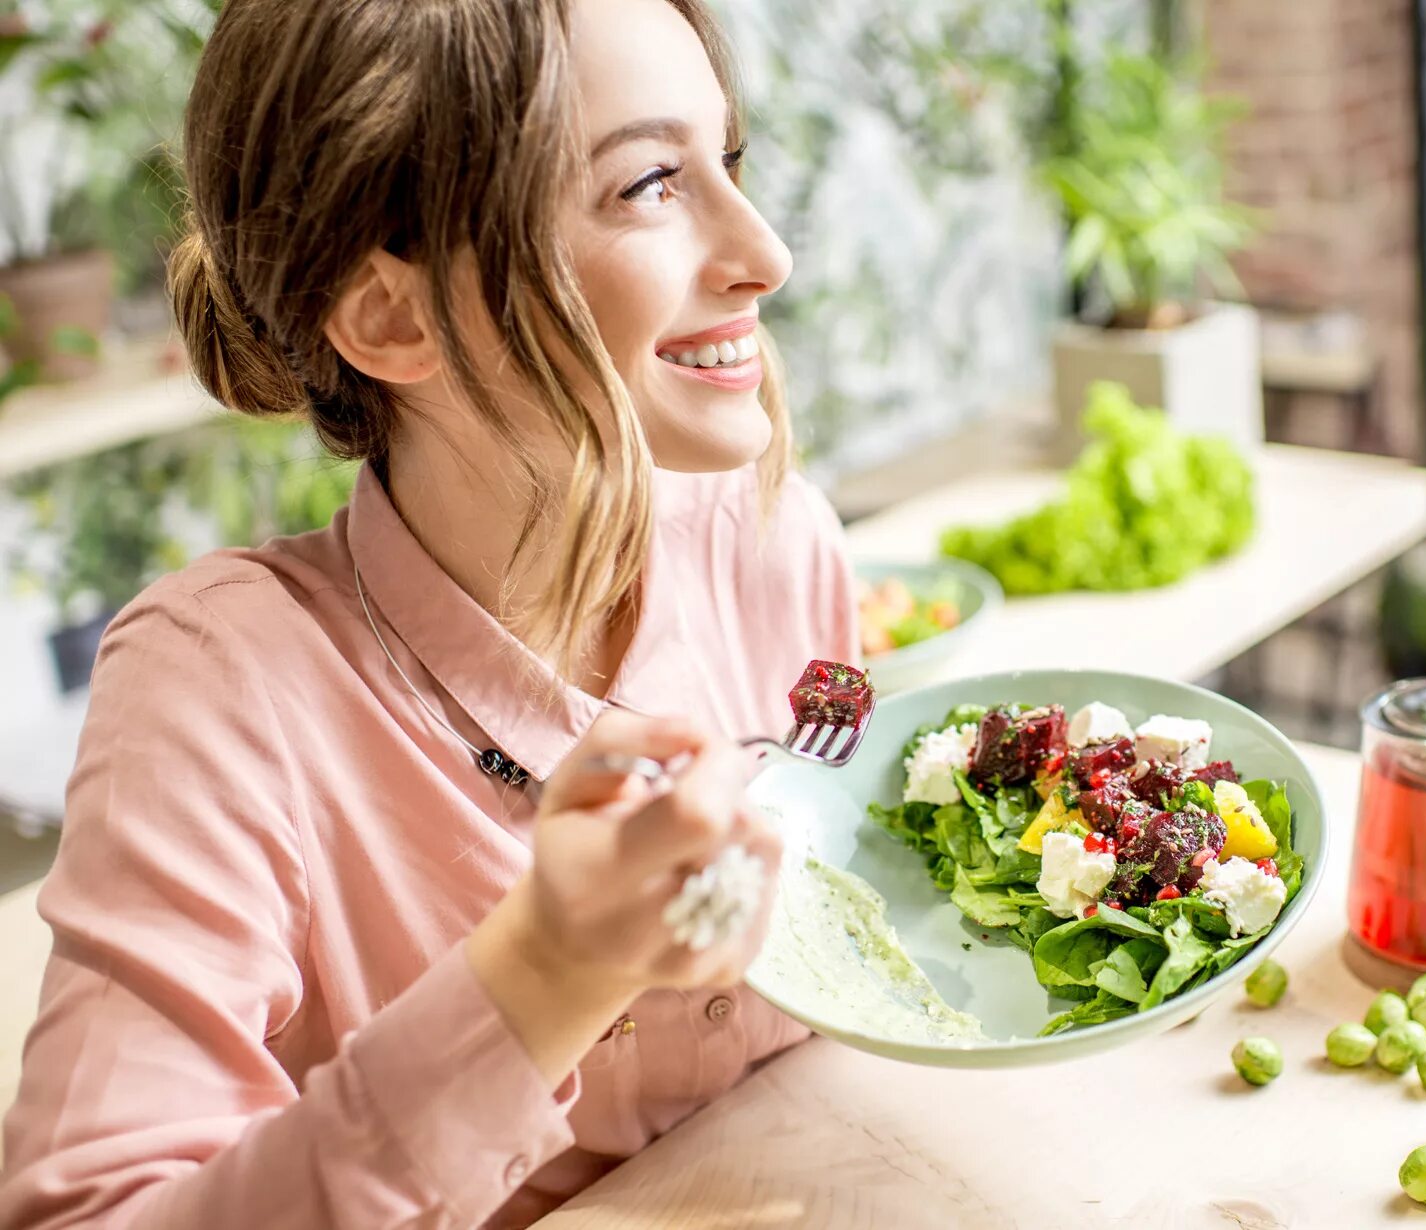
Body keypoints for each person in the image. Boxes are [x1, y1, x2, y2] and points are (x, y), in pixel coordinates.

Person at [0, 1, 857, 1226]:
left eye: (728, 161)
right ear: (392, 318)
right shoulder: (218, 687)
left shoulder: (778, 541)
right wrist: (547, 973)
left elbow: (851, 880)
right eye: (652, 184)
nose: (767, 252)